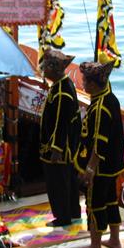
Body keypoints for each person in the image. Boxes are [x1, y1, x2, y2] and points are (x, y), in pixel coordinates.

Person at [75, 58, 124, 248]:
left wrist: (89, 169)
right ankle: (114, 240)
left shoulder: (100, 107)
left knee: (95, 204)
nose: (83, 84)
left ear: (94, 85)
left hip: (100, 168)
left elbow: (99, 142)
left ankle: (95, 247)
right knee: (110, 200)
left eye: (85, 81)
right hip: (113, 166)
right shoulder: (111, 98)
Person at [39, 47, 82, 227]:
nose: (43, 69)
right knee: (68, 180)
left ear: (54, 69)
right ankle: (73, 213)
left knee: (58, 183)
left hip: (59, 149)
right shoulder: (63, 84)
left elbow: (61, 123)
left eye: (45, 67)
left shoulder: (62, 92)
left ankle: (63, 217)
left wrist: (56, 149)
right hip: (67, 147)